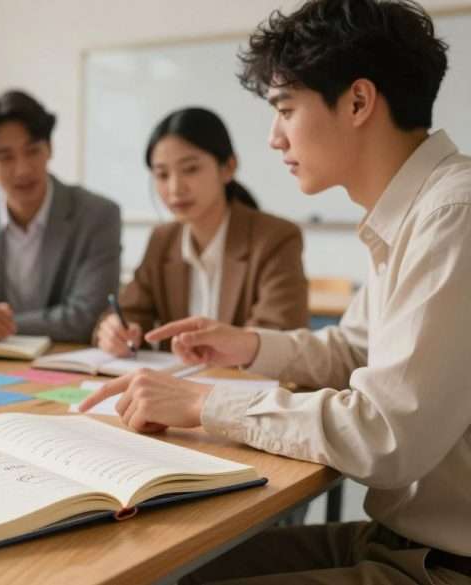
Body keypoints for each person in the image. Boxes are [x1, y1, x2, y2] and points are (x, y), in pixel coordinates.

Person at [81, 1, 471, 583]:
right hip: (393, 538)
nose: (273, 138)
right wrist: (248, 345)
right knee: (168, 569)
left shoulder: (452, 215)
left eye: (285, 108)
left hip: (442, 566)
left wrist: (203, 404)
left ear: (359, 102)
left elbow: (387, 436)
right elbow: (354, 352)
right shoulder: (409, 213)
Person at [95, 107, 308, 357]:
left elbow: (277, 334)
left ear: (228, 168)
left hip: (244, 389)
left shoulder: (275, 238)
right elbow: (130, 311)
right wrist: (115, 332)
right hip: (172, 388)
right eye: (162, 174)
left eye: (191, 169)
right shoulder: (162, 240)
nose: (175, 188)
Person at [0, 90, 122, 343]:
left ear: (49, 149)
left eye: (33, 151)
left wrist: (0, 325)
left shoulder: (98, 215)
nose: (23, 169)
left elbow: (87, 316)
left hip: (65, 361)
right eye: (5, 158)